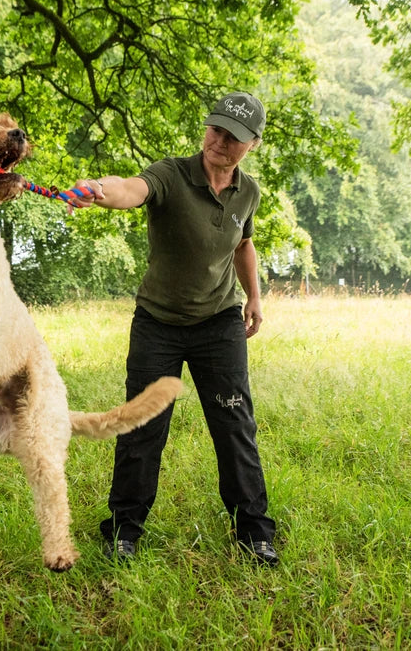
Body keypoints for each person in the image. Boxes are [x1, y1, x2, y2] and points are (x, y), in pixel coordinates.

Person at [71, 91, 279, 566]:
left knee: (234, 426)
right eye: (215, 129)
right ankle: (124, 529)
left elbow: (243, 243)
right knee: (141, 425)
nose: (219, 142)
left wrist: (255, 298)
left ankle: (254, 531)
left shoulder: (248, 192)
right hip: (158, 324)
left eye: (233, 137)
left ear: (254, 144)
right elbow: (131, 189)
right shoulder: (171, 174)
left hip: (219, 323)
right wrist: (98, 190)